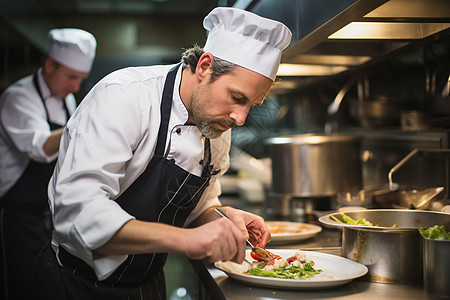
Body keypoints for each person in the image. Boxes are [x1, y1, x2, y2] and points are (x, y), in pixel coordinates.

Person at [32, 7, 292, 300]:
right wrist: (186, 240)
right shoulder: (124, 96)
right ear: (205, 66)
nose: (241, 118)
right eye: (237, 98)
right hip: (75, 284)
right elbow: (78, 211)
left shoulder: (217, 124)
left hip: (148, 285)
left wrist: (222, 216)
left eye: (251, 105)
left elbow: (199, 203)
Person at [0, 28, 96, 300]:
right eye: (71, 77)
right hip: (15, 214)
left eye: (81, 79)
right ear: (50, 64)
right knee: (17, 287)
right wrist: (84, 123)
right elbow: (40, 147)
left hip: (46, 215)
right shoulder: (19, 98)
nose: (76, 87)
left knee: (42, 286)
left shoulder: (66, 98)